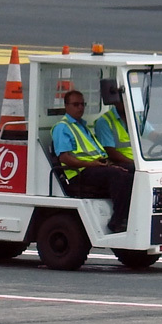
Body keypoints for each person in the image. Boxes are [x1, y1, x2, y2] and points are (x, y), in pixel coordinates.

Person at [51, 89, 134, 233]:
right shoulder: (62, 128)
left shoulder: (82, 126)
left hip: (94, 167)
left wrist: (108, 163)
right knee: (119, 176)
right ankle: (118, 220)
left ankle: (133, 214)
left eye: (83, 104)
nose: (80, 108)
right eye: (76, 104)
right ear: (67, 106)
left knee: (131, 170)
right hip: (78, 173)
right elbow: (65, 159)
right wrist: (93, 164)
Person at [94, 92, 162, 169]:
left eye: (130, 99)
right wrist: (136, 163)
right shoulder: (104, 121)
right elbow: (111, 153)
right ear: (116, 101)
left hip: (137, 162)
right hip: (122, 163)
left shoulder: (136, 118)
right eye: (124, 99)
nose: (128, 102)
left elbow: (155, 137)